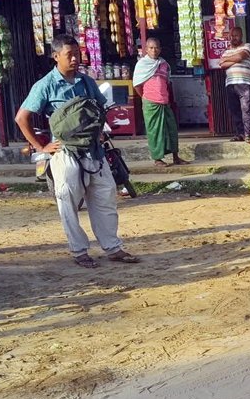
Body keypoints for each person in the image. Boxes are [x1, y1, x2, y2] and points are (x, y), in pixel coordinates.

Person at [14, 35, 139, 269]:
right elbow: (21, 118)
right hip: (65, 151)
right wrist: (41, 147)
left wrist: (101, 129)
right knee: (68, 200)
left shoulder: (86, 81)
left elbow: (101, 107)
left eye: (77, 54)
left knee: (105, 195)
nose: (74, 59)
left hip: (94, 151)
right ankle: (79, 251)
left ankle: (112, 248)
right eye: (69, 55)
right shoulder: (45, 85)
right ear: (55, 56)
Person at [133, 37, 187, 168]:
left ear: (160, 49)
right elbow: (136, 85)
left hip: (164, 101)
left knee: (171, 130)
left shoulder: (164, 64)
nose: (154, 50)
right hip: (150, 103)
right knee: (155, 131)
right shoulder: (141, 64)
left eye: (156, 48)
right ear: (146, 49)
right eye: (151, 48)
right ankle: (158, 159)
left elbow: (167, 83)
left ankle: (175, 157)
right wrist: (145, 97)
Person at [218, 26, 250, 140]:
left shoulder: (247, 46)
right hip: (230, 83)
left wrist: (227, 59)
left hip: (243, 82)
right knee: (235, 110)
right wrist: (233, 60)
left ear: (241, 36)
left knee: (245, 109)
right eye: (232, 36)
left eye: (236, 35)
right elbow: (222, 65)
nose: (234, 38)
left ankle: (248, 134)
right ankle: (240, 134)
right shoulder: (227, 51)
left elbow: (239, 56)